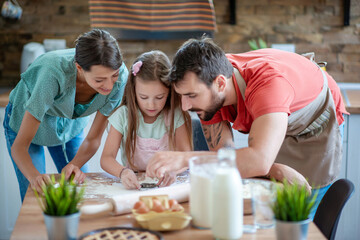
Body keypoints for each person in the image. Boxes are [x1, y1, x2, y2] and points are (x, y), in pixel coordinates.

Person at [146, 37, 348, 213]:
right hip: (272, 120)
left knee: (298, 211)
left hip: (313, 128)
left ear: (220, 84)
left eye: (191, 96)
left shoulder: (268, 86)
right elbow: (225, 161)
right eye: (182, 96)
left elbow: (258, 161)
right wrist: (273, 168)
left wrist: (185, 160)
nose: (185, 106)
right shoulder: (207, 84)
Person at [3, 29, 128, 201]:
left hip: (68, 125)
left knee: (80, 191)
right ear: (79, 68)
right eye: (99, 80)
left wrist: (74, 164)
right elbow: (19, 147)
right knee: (38, 196)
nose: (109, 85)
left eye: (113, 75)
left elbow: (93, 139)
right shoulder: (51, 73)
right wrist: (34, 177)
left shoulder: (120, 77)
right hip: (25, 121)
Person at [100, 50, 193, 190]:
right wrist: (123, 172)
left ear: (169, 93)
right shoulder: (122, 116)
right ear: (133, 91)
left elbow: (186, 156)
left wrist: (173, 170)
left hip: (167, 186)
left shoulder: (175, 115)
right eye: (143, 97)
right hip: (133, 184)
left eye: (159, 97)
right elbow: (106, 158)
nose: (151, 105)